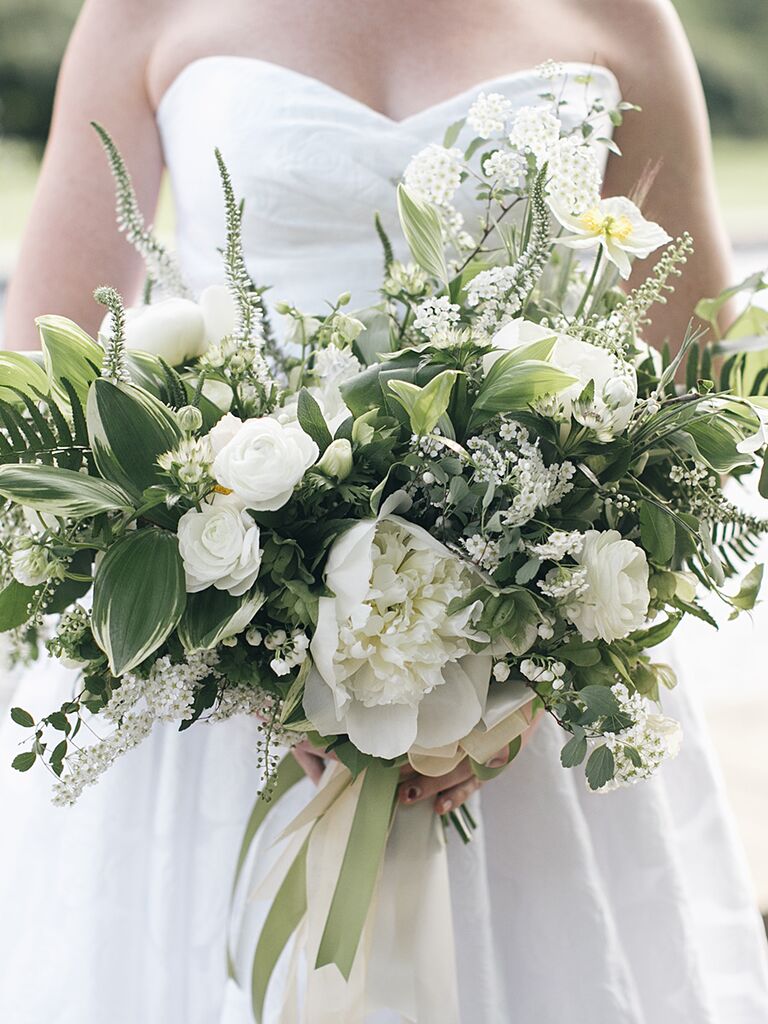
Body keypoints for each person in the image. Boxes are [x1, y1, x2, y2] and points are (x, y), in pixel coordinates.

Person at [2, 0, 767, 1021]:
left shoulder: (622, 14)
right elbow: (44, 393)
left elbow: (700, 384)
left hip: (534, 715)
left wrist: (533, 662)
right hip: (214, 690)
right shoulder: (143, 11)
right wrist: (238, 652)